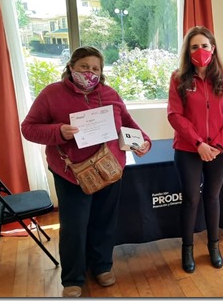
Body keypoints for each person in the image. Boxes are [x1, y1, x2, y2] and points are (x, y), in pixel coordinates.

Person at [21, 46, 152, 297]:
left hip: (110, 170)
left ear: (101, 73)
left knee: (104, 222)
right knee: (74, 227)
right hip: (72, 174)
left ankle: (102, 266)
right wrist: (58, 131)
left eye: (95, 69)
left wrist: (142, 141)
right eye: (84, 66)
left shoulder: (110, 94)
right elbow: (28, 128)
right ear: (71, 67)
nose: (89, 72)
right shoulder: (51, 94)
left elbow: (128, 123)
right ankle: (73, 278)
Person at [167, 26, 223, 273]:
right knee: (190, 199)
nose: (200, 50)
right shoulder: (178, 78)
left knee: (212, 197)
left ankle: (213, 246)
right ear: (188, 51)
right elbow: (174, 115)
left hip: (219, 149)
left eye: (205, 45)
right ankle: (187, 249)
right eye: (195, 46)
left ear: (213, 48)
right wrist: (199, 143)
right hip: (189, 149)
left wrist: (217, 145)